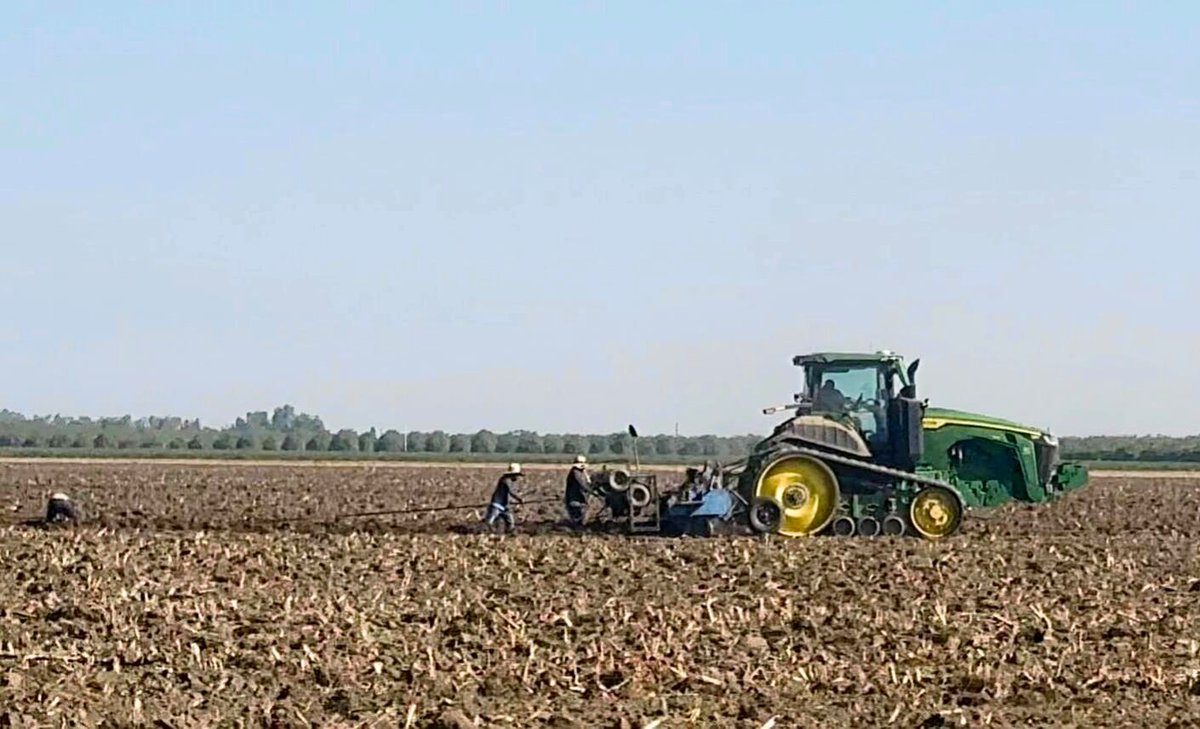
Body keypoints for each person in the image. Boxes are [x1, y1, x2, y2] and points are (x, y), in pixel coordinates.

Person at [483, 463, 524, 533]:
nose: (517, 478)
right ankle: (489, 532)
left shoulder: (507, 480)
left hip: (505, 507)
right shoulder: (506, 480)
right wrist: (519, 499)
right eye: (517, 475)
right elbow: (511, 492)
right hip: (497, 505)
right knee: (489, 522)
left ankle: (508, 535)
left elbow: (508, 494)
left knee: (511, 523)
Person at [564, 455, 590, 527]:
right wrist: (590, 490)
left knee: (582, 514)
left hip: (581, 498)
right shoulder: (575, 473)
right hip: (575, 499)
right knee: (577, 516)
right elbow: (582, 484)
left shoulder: (582, 473)